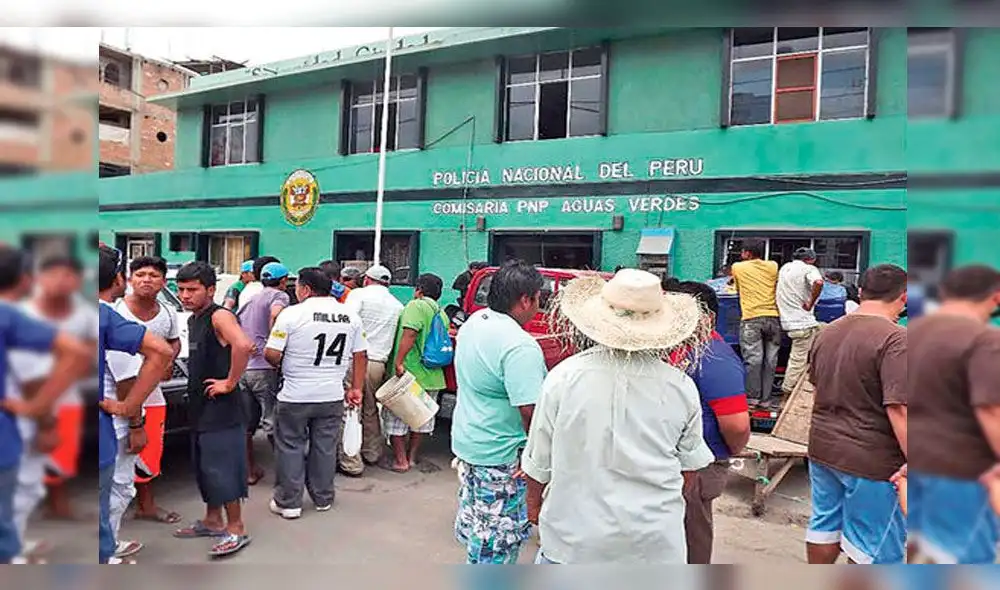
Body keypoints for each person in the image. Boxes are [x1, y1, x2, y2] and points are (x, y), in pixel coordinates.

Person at [522, 268, 714, 564]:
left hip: (573, 543)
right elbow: (687, 474)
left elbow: (539, 464)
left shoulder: (563, 378)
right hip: (653, 547)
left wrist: (534, 506)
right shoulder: (680, 386)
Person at [805, 264, 908, 564]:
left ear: (861, 292)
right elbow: (899, 407)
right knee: (872, 545)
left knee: (824, 526)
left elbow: (816, 386)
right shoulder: (896, 339)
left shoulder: (828, 332)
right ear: (904, 298)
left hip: (823, 448)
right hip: (873, 460)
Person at [450, 261, 548, 564]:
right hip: (502, 456)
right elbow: (531, 411)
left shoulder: (476, 322)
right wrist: (538, 458)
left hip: (470, 444)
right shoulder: (519, 346)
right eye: (539, 297)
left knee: (480, 534)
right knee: (497, 548)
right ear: (526, 299)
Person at [1, 251, 90, 564]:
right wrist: (43, 418)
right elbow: (34, 379)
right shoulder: (15, 317)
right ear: (28, 279)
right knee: (21, 492)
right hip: (16, 424)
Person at [907, 265, 1000, 564]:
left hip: (917, 461)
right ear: (995, 298)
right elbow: (990, 408)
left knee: (919, 552)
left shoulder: (913, 331)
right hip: (963, 470)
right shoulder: (985, 339)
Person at [263, 267, 367, 519]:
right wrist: (356, 388)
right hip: (331, 395)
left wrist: (284, 361)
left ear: (306, 289)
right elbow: (361, 354)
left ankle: (289, 503)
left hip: (295, 395)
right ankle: (323, 498)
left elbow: (271, 353)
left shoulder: (291, 315)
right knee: (325, 447)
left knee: (290, 446)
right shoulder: (349, 316)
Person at [94, 244, 173, 565]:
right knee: (117, 490)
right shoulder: (110, 319)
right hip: (112, 424)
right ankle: (106, 549)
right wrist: (135, 419)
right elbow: (129, 378)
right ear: (119, 279)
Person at [663, 280, 751, 564]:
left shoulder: (714, 359)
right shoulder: (682, 349)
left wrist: (726, 454)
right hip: (676, 463)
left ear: (707, 317)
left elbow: (737, 426)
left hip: (700, 465)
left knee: (691, 541)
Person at [171, 261, 255, 559]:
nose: (184, 295)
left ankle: (236, 529)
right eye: (180, 290)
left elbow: (243, 345)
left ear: (210, 289)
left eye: (192, 290)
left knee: (224, 469)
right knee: (206, 467)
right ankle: (211, 520)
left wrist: (230, 383)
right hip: (200, 406)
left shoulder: (219, 316)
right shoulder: (195, 319)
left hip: (223, 409)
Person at [15, 257, 96, 524]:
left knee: (62, 456)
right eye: (53, 275)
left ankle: (57, 504)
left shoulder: (83, 313)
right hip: (24, 396)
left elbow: (92, 346)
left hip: (66, 396)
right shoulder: (22, 312)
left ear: (77, 281)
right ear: (39, 279)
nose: (60, 281)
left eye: (67, 275)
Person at [113, 256, 182, 526]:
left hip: (153, 396)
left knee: (149, 453)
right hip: (118, 393)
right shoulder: (115, 311)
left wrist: (168, 360)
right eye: (140, 274)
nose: (146, 280)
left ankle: (146, 505)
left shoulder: (167, 312)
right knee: (116, 453)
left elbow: (174, 342)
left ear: (163, 282)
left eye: (153, 275)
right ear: (130, 280)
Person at [340, 264, 403, 475]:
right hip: (378, 363)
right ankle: (372, 453)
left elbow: (346, 322)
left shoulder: (359, 295)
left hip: (355, 358)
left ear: (367, 279)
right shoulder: (397, 305)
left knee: (350, 409)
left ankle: (351, 461)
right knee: (370, 408)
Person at [385, 273, 448, 473]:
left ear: (418, 290)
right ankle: (412, 457)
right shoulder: (441, 312)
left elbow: (410, 333)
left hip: (411, 372)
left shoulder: (416, 306)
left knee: (397, 417)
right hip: (433, 375)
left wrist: (399, 361)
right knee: (421, 418)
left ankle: (400, 460)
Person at [237, 261, 291, 486]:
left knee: (247, 425)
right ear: (284, 281)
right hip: (264, 366)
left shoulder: (251, 298)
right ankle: (285, 475)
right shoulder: (280, 296)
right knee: (273, 422)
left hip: (244, 368)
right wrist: (274, 342)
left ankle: (250, 472)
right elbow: (277, 315)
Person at [730, 240, 781, 408]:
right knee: (770, 361)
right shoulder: (773, 265)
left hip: (751, 318)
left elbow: (735, 289)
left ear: (748, 253)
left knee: (754, 360)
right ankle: (766, 400)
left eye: (743, 252)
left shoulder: (738, 267)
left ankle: (752, 399)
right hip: (773, 318)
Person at [775, 247, 825, 398]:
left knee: (827, 331)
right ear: (811, 259)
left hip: (789, 321)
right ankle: (788, 390)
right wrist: (810, 302)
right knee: (798, 359)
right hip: (803, 323)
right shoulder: (809, 269)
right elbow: (819, 282)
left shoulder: (785, 268)